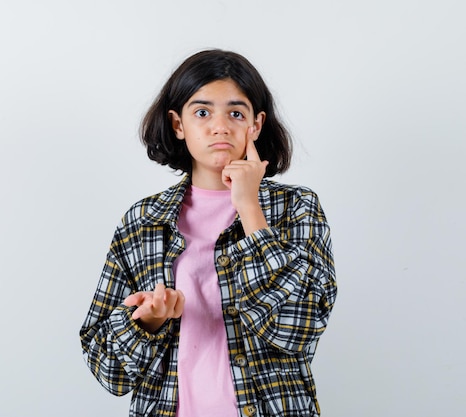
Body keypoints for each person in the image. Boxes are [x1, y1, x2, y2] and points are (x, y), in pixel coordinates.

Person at [79, 49, 337, 417]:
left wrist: (250, 209)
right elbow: (108, 370)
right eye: (202, 112)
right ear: (177, 124)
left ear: (256, 125)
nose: (220, 126)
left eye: (236, 112)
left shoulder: (296, 208)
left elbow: (300, 327)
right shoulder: (143, 221)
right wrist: (147, 323)